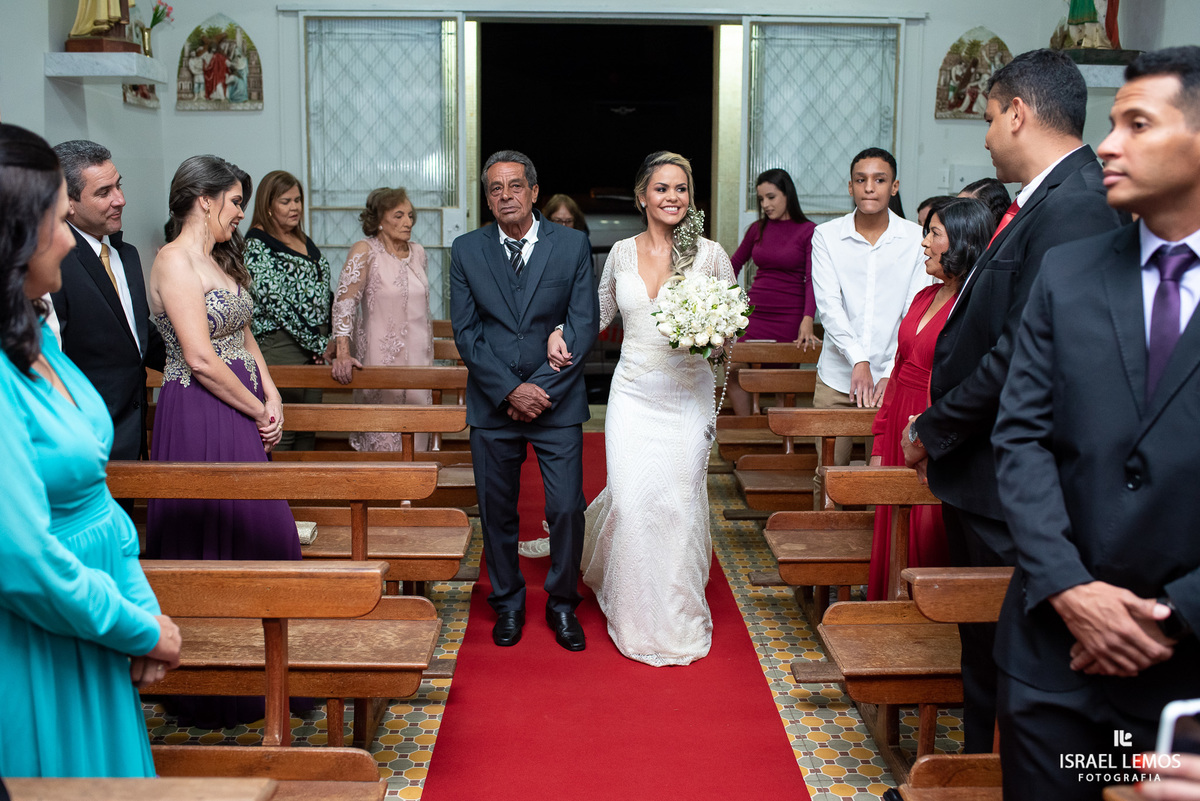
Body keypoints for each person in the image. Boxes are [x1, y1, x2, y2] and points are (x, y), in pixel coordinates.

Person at [991, 46, 1200, 800]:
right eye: (1111, 123)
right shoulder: (1070, 273)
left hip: (1184, 671)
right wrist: (1072, 590)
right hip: (1054, 662)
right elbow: (1020, 438)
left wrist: (1170, 615)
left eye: (1136, 124)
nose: (1107, 144)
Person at [901, 48, 1123, 754]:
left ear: (1019, 113)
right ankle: (974, 770)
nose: (989, 135)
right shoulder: (1041, 203)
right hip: (983, 471)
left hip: (1006, 476)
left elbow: (1023, 352)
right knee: (987, 652)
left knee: (1015, 656)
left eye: (992, 118)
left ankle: (994, 771)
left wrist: (933, 426)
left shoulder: (1077, 205)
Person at [0, 123, 181, 778]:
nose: (69, 237)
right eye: (56, 218)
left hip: (96, 624)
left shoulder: (34, 338)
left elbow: (98, 503)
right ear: (16, 237)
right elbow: (20, 554)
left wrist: (139, 604)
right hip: (39, 639)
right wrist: (138, 627)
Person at [549, 151, 734, 666]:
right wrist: (563, 334)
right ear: (642, 197)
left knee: (677, 504)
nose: (672, 197)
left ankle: (674, 614)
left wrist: (716, 336)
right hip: (632, 394)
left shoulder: (712, 255)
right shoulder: (622, 254)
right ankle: (632, 611)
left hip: (687, 395)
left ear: (690, 197)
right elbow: (601, 314)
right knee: (632, 504)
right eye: (661, 188)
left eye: (681, 188)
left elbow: (731, 331)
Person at [146, 155, 300, 728]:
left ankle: (270, 673)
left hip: (242, 405)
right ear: (204, 199)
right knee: (215, 535)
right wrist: (257, 404)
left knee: (263, 534)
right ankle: (212, 687)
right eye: (235, 201)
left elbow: (243, 336)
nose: (241, 213)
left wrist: (274, 395)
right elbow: (202, 359)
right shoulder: (173, 261)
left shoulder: (218, 259)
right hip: (201, 412)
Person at [450, 150, 598, 651]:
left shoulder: (572, 244)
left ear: (534, 192)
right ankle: (508, 603)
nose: (505, 195)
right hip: (493, 404)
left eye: (515, 186)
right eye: (495, 188)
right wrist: (510, 390)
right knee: (497, 513)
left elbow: (582, 321)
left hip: (557, 402)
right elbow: (467, 333)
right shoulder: (467, 250)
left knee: (564, 509)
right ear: (487, 198)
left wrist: (539, 390)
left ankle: (561, 603)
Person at [866, 198, 992, 600]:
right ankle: (885, 625)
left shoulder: (972, 308)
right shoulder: (925, 296)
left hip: (932, 426)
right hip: (900, 419)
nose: (924, 243)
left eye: (934, 234)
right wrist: (881, 438)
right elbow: (899, 369)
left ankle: (925, 637)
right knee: (890, 528)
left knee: (927, 533)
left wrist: (930, 436)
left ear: (963, 242)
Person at [810, 147, 930, 492]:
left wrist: (891, 371)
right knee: (828, 477)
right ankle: (826, 546)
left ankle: (875, 548)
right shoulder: (827, 236)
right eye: (861, 180)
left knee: (882, 482)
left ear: (894, 187)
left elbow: (914, 312)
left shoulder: (914, 238)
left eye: (879, 180)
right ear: (850, 187)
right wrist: (858, 359)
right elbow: (829, 307)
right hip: (837, 377)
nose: (869, 188)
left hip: (893, 381)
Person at [49, 140, 165, 462]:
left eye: (119, 186)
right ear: (68, 202)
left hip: (132, 434)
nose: (121, 200)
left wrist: (201, 364)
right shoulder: (53, 263)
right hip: (84, 440)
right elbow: (52, 358)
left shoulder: (125, 255)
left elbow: (137, 336)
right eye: (104, 193)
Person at [330, 186, 434, 451]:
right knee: (382, 438)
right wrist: (343, 352)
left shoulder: (419, 253)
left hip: (421, 363)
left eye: (410, 215)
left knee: (417, 439)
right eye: (398, 215)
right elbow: (344, 304)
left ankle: (412, 492)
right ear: (378, 220)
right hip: (381, 360)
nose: (408, 222)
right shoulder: (365, 251)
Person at [245, 170, 332, 451]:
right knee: (285, 430)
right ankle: (280, 495)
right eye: (285, 201)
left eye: (297, 200)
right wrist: (319, 344)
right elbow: (277, 304)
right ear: (268, 205)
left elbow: (321, 291)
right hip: (281, 344)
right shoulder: (257, 245)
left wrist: (324, 338)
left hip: (311, 346)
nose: (294, 207)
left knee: (310, 428)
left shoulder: (301, 238)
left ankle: (305, 496)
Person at [726, 168, 820, 416]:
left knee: (783, 380)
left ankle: (782, 438)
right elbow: (732, 266)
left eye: (771, 197)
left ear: (787, 194)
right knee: (734, 367)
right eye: (761, 199)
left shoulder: (809, 231)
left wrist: (807, 319)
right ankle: (745, 431)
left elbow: (812, 279)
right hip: (754, 314)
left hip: (789, 317)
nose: (765, 204)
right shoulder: (757, 229)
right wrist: (726, 305)